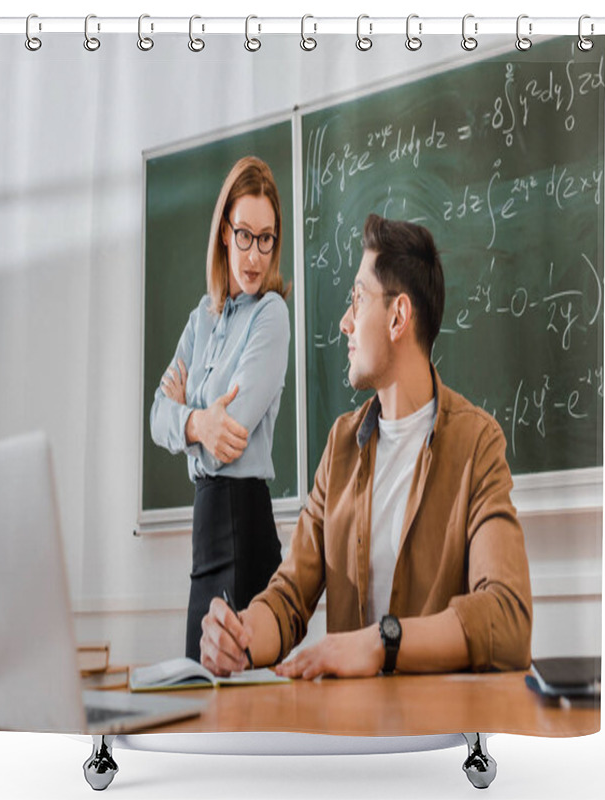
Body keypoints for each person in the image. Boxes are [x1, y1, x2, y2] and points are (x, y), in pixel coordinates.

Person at [200, 214, 532, 679]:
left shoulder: (477, 445)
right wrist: (240, 636)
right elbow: (289, 597)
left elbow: (508, 619)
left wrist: (382, 642)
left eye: (357, 298)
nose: (344, 322)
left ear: (398, 317)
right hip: (352, 735)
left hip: (436, 736)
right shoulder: (340, 446)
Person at [150, 156, 290, 661]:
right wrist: (195, 422)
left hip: (243, 523)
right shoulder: (200, 320)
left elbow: (226, 445)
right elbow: (155, 417)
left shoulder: (272, 315)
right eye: (245, 235)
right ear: (225, 235)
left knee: (231, 709)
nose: (255, 254)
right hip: (205, 531)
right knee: (195, 692)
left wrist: (189, 424)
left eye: (267, 238)